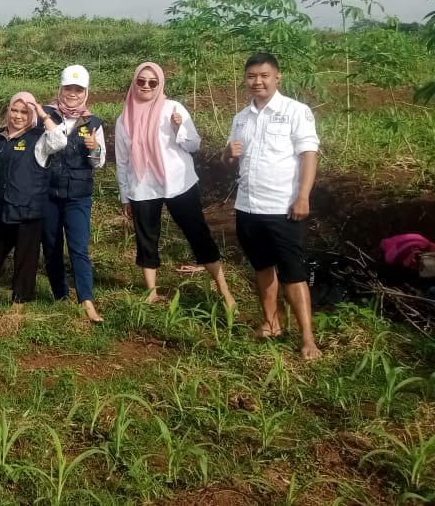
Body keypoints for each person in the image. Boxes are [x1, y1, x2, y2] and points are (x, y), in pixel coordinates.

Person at [222, 52, 321, 360]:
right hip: (248, 207)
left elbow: (309, 155)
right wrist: (227, 154)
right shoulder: (241, 118)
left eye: (264, 75)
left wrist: (303, 196)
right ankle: (271, 323)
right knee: (262, 267)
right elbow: (229, 161)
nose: (257, 81)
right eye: (251, 76)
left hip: (283, 207)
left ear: (278, 77)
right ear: (245, 80)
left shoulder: (296, 111)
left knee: (294, 273)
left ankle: (308, 339)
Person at [114, 62, 235, 308]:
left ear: (160, 84)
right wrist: (125, 196)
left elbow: (194, 144)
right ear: (134, 83)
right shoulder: (124, 119)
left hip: (178, 183)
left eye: (153, 82)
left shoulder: (173, 108)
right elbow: (122, 160)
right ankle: (151, 292)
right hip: (143, 186)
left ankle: (224, 290)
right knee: (146, 237)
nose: (146, 86)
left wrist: (179, 128)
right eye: (141, 81)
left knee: (197, 234)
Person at [0, 91, 65, 306]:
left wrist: (42, 114)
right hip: (0, 205)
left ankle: (20, 301)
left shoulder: (40, 138)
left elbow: (60, 141)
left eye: (24, 112)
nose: (18, 116)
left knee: (25, 257)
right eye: (14, 110)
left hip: (28, 209)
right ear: (8, 110)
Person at [40, 64, 106, 322]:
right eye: (68, 88)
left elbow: (98, 163)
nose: (73, 94)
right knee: (52, 246)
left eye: (78, 90)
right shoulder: (45, 115)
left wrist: (94, 148)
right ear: (61, 88)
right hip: (48, 193)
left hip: (79, 195)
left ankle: (87, 301)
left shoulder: (93, 122)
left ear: (86, 92)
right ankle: (60, 295)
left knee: (79, 247)